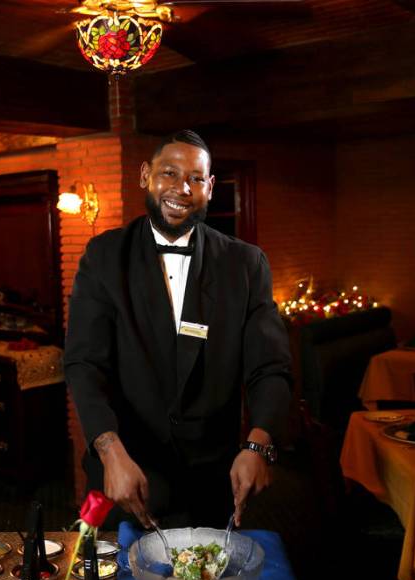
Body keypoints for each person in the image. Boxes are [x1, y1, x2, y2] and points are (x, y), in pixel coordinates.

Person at [64, 130, 292, 530]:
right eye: (169, 173)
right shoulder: (103, 256)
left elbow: (270, 367)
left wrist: (257, 445)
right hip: (124, 472)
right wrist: (110, 451)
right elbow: (85, 365)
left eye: (195, 178)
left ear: (210, 187)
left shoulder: (246, 263)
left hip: (213, 479)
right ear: (145, 176)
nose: (182, 188)